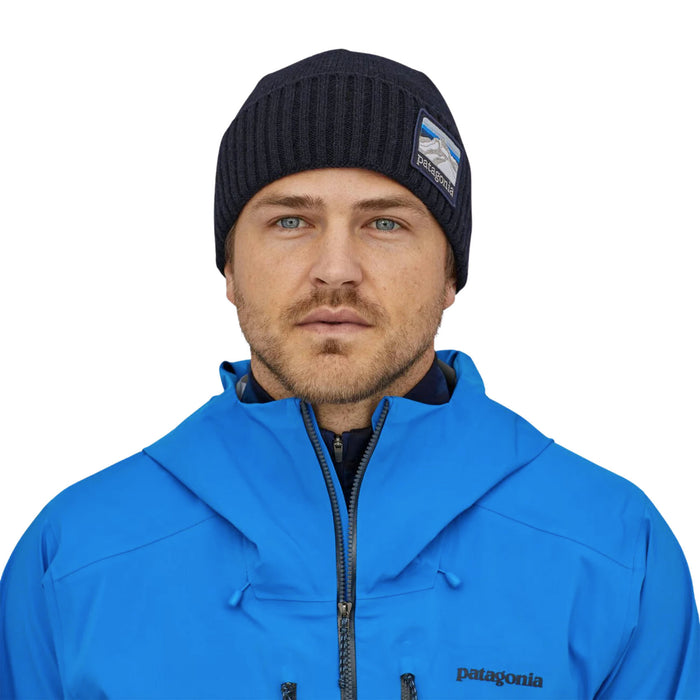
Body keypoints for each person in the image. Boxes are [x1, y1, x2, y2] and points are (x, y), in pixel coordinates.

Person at [1, 49, 698, 700]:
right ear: (230, 269)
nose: (335, 270)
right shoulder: (73, 559)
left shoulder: (614, 552)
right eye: (290, 221)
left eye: (385, 224)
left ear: (450, 273)